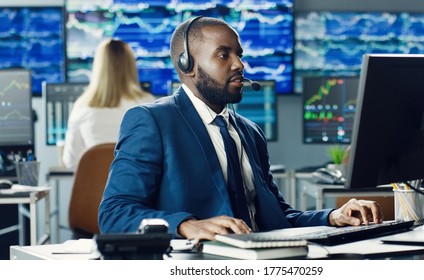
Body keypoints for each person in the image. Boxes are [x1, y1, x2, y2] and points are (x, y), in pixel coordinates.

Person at [98, 17, 383, 241]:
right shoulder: (152, 121)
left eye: (239, 54)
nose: (240, 64)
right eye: (223, 55)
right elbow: (114, 213)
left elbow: (276, 217)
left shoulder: (250, 132)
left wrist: (332, 217)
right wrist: (186, 225)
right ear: (188, 66)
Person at [62, 38, 155, 169]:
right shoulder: (148, 105)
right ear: (131, 66)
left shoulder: (82, 108)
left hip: (94, 189)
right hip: (135, 188)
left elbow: (70, 162)